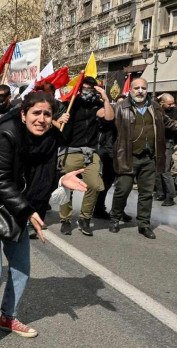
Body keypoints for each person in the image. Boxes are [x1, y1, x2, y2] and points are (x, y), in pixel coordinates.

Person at [0, 91, 86, 348]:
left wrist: (62, 179)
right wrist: (29, 211)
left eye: (47, 114)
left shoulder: (51, 138)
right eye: (36, 113)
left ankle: (7, 317)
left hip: (17, 205)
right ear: (23, 114)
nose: (41, 119)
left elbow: (44, 174)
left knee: (21, 270)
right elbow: (2, 180)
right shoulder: (6, 133)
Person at [109, 78, 177, 239]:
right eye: (136, 88)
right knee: (122, 190)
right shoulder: (119, 107)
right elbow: (107, 125)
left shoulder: (155, 107)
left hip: (149, 158)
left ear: (147, 90)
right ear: (130, 90)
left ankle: (144, 225)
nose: (140, 91)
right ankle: (115, 218)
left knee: (146, 194)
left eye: (143, 88)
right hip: (127, 157)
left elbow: (171, 124)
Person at [58, 76, 114, 236]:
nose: (88, 91)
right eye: (85, 87)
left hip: (90, 152)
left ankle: (85, 218)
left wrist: (105, 98)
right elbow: (56, 123)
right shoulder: (69, 104)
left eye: (91, 88)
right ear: (80, 88)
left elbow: (109, 119)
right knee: (67, 187)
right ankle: (65, 219)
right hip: (70, 151)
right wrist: (61, 119)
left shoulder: (97, 105)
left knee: (96, 185)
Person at [94, 94, 133, 222]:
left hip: (124, 152)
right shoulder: (108, 113)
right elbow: (103, 119)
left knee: (124, 184)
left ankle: (118, 210)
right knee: (107, 182)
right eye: (120, 103)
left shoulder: (130, 114)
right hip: (110, 152)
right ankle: (99, 209)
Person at [154, 93, 177, 206]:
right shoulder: (156, 110)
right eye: (169, 103)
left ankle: (170, 196)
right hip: (155, 143)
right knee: (157, 170)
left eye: (173, 103)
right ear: (162, 103)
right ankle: (160, 193)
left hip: (167, 143)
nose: (172, 105)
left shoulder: (174, 112)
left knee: (165, 170)